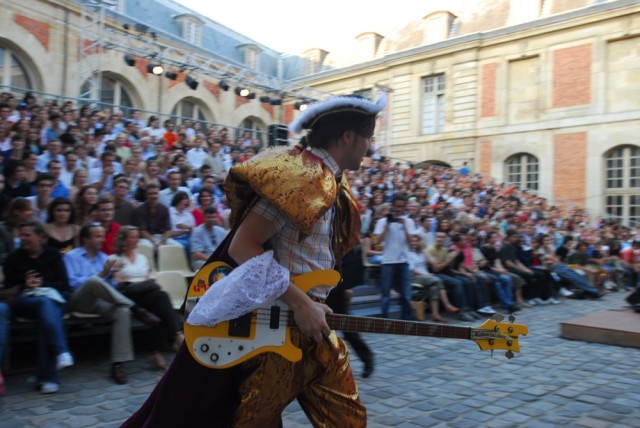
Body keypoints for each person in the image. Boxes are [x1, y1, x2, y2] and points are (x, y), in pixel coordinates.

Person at [124, 93, 386, 427]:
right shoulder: (300, 175)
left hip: (314, 324)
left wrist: (311, 304)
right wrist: (300, 303)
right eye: (369, 137)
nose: (370, 146)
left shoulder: (332, 179)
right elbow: (242, 245)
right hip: (281, 326)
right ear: (348, 137)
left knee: (347, 420)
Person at [63, 223, 160, 384]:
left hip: (100, 301)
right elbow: (73, 284)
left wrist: (115, 273)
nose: (102, 239)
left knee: (122, 311)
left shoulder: (104, 258)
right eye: (97, 236)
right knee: (94, 280)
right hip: (79, 300)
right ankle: (136, 308)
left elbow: (113, 288)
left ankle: (117, 364)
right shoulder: (71, 256)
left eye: (102, 235)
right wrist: (103, 273)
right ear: (86, 239)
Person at [4, 221, 73, 394]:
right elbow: (7, 287)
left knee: (46, 312)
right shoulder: (14, 257)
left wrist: (43, 283)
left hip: (53, 297)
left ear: (41, 237)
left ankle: (47, 379)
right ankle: (61, 352)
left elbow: (64, 284)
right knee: (44, 304)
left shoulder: (53, 255)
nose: (23, 239)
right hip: (26, 301)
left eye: (27, 235)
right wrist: (25, 284)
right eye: (21, 235)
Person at [111, 226, 184, 370]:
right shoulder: (115, 259)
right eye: (132, 237)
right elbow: (119, 283)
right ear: (124, 240)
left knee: (157, 303)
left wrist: (137, 284)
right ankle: (176, 336)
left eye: (137, 237)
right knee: (160, 296)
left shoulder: (142, 258)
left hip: (145, 296)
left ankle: (158, 352)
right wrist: (139, 284)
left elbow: (150, 279)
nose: (136, 240)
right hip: (128, 298)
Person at [374, 192, 415, 320]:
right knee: (386, 294)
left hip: (404, 261)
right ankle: (384, 321)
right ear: (392, 206)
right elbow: (377, 242)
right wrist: (387, 225)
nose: (399, 209)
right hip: (388, 261)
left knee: (406, 294)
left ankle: (406, 322)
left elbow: (411, 243)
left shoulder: (408, 221)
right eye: (397, 206)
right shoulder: (382, 221)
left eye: (402, 206)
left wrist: (404, 226)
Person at [407, 234, 459, 322]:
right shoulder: (408, 253)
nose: (414, 243)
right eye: (412, 241)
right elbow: (412, 271)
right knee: (437, 280)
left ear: (420, 242)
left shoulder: (423, 253)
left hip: (426, 277)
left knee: (434, 288)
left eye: (416, 241)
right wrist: (427, 275)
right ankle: (447, 305)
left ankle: (435, 315)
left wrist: (425, 251)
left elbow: (433, 264)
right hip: (415, 277)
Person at [189, 206, 228, 271]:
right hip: (202, 261)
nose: (211, 220)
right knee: (216, 266)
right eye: (209, 217)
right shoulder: (197, 231)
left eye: (213, 217)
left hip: (217, 260)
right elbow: (196, 254)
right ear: (204, 217)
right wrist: (212, 259)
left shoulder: (221, 231)